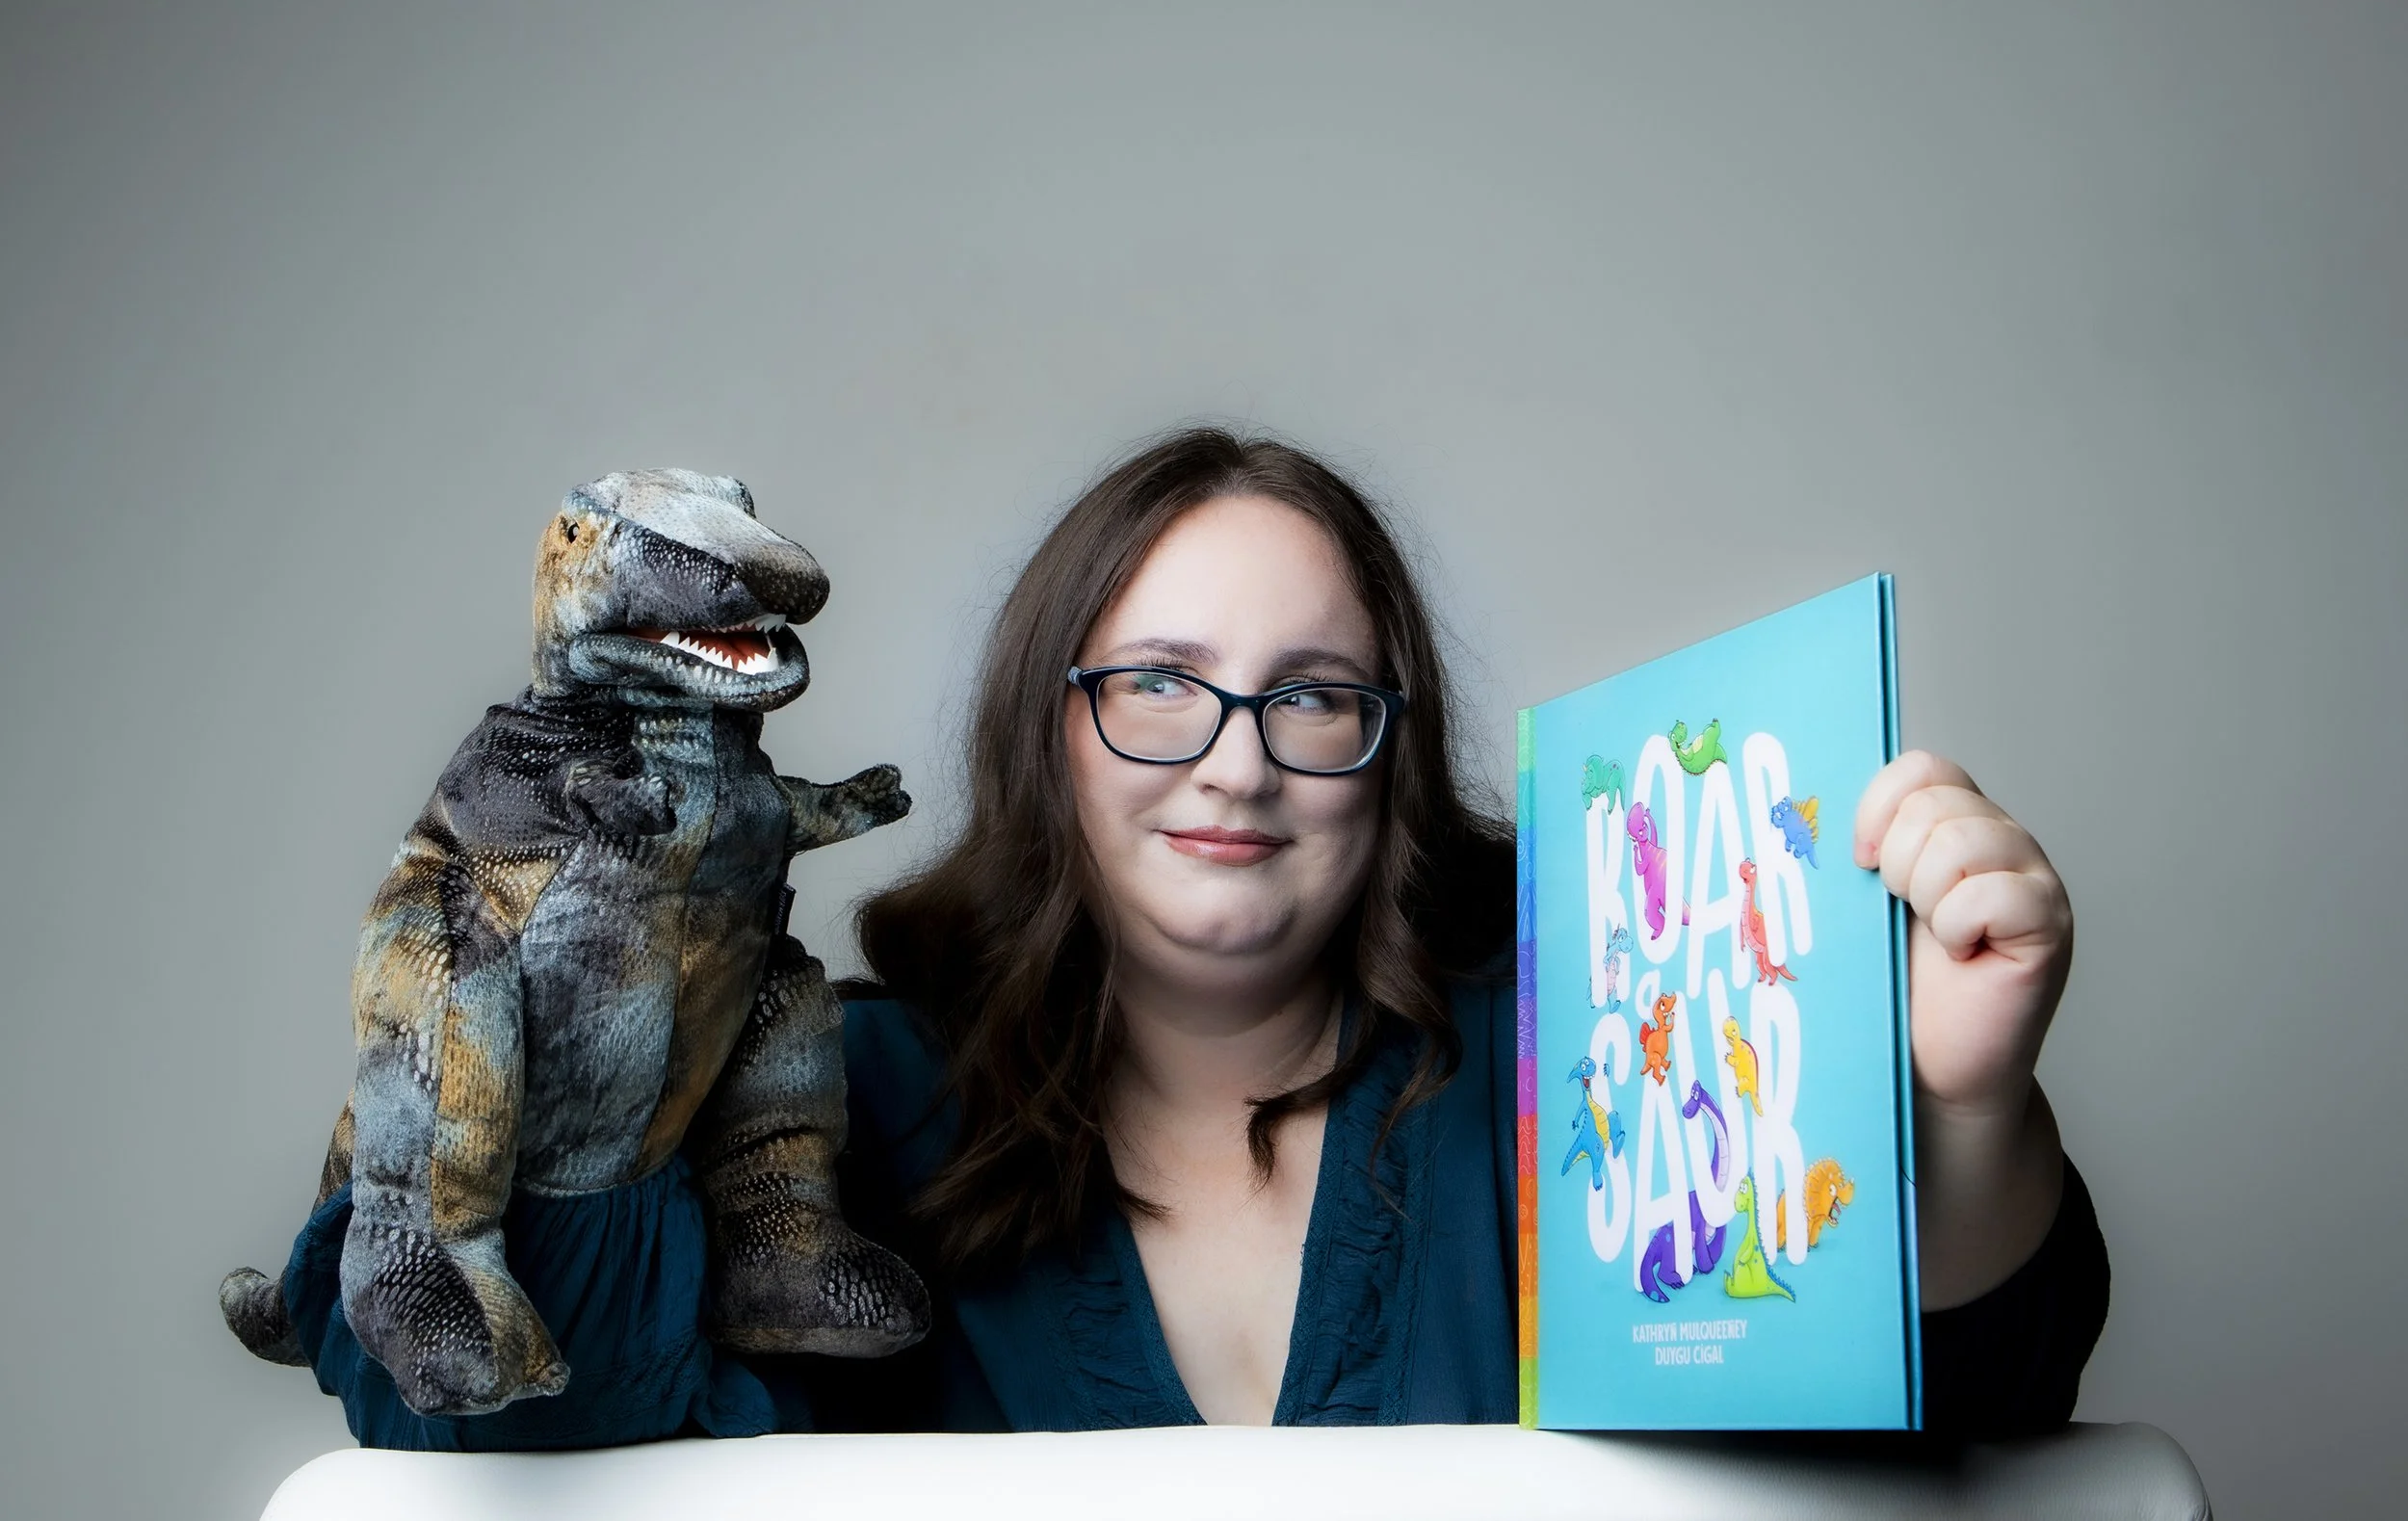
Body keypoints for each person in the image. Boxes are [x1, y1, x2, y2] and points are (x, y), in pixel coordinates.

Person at [755, 426, 2108, 1433]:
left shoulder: (1595, 1054)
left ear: (1390, 753)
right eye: (1161, 681)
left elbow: (1969, 1425)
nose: (1238, 764)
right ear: (1045, 727)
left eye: (1314, 695)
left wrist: (1962, 1107)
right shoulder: (840, 1094)